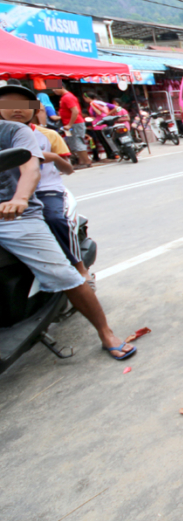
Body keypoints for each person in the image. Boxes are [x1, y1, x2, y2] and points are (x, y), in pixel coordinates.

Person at [0, 96, 135, 360]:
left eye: (23, 103)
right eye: (8, 101)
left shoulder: (18, 132)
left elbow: (31, 169)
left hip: (18, 214)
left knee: (62, 270)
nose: (17, 108)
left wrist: (20, 198)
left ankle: (104, 330)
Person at [0, 85, 93, 288]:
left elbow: (68, 167)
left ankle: (79, 269)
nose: (17, 109)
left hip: (45, 190)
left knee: (54, 219)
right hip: (9, 195)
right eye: (9, 105)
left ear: (35, 110)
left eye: (23, 105)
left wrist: (51, 158)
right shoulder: (3, 135)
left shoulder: (48, 135)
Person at [52, 83, 91, 168]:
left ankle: (86, 161)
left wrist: (70, 124)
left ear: (61, 87)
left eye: (55, 89)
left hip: (74, 124)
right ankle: (82, 161)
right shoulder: (64, 97)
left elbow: (75, 111)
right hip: (69, 124)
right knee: (73, 142)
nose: (54, 91)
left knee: (77, 142)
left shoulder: (67, 97)